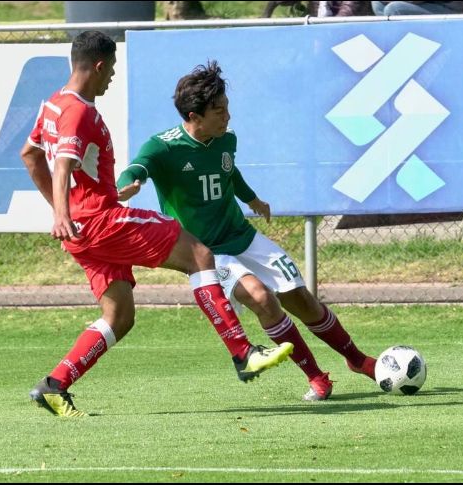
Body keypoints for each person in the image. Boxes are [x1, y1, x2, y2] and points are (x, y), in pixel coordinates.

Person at [20, 32, 294, 417]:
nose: (111, 77)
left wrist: (65, 211)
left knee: (120, 318)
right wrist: (63, 212)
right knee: (199, 253)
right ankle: (242, 352)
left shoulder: (51, 105)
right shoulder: (79, 111)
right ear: (99, 66)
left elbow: (30, 155)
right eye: (111, 69)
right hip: (101, 220)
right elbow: (62, 162)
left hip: (83, 230)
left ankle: (54, 385)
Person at [116, 61, 377, 401]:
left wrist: (253, 199)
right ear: (194, 116)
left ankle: (356, 360)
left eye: (227, 108)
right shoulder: (163, 146)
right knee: (260, 297)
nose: (227, 117)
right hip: (206, 252)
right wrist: (130, 183)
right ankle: (317, 377)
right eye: (219, 111)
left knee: (303, 301)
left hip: (243, 236)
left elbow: (229, 172)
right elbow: (137, 167)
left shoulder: (226, 140)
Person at [372, 1, 463, 15]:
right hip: (430, 5)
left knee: (394, 8)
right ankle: (394, 45)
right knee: (378, 3)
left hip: (457, 12)